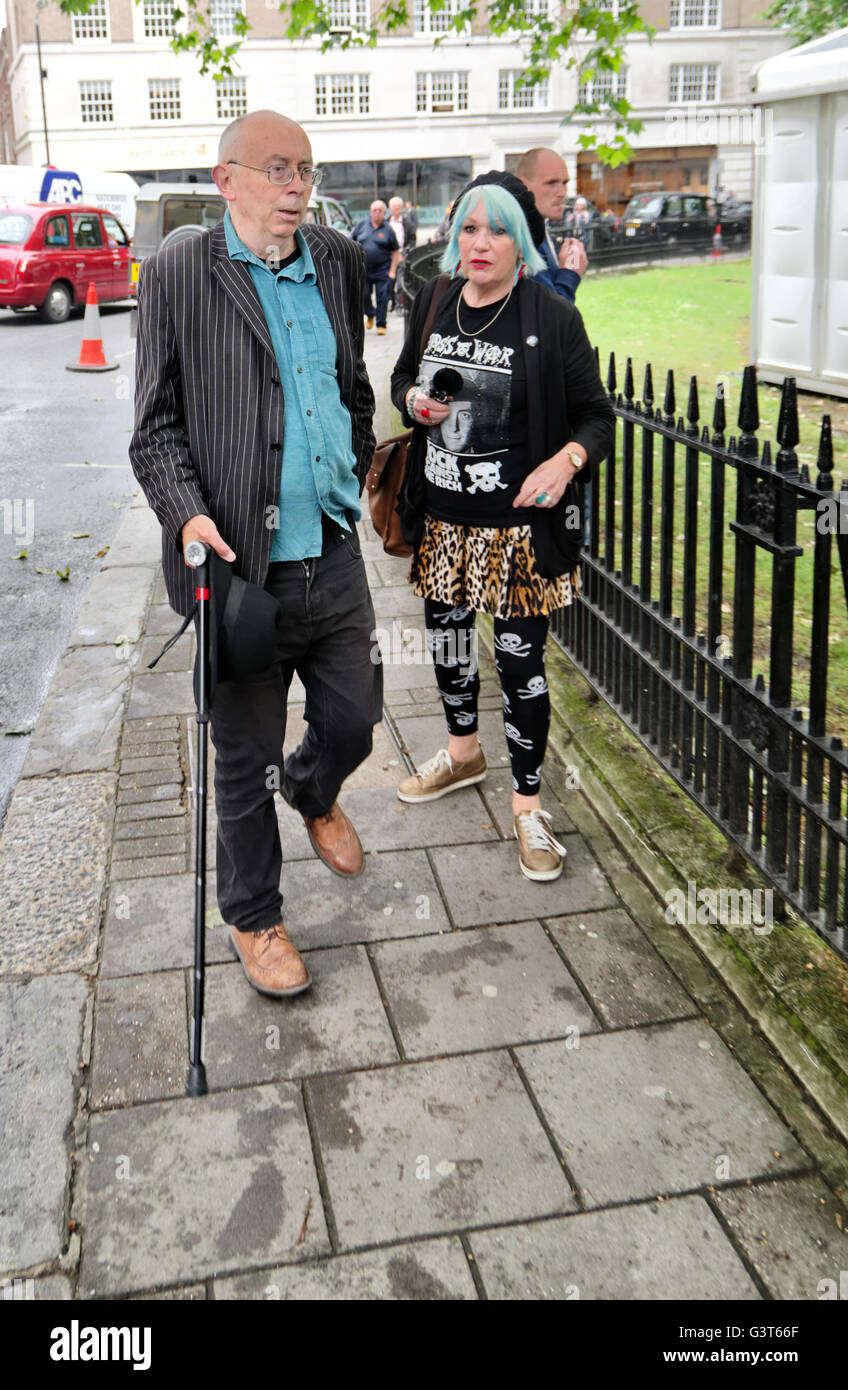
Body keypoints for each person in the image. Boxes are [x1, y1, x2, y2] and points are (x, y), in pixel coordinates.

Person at [130, 109, 382, 998]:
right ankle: (254, 917)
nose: (295, 187)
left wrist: (352, 457)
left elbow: (352, 387)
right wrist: (188, 515)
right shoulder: (178, 273)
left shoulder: (340, 261)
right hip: (239, 566)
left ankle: (314, 790)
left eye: (305, 170)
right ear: (225, 178)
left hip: (335, 550)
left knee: (356, 717)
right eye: (276, 169)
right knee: (242, 759)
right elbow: (154, 430)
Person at [390, 183, 614, 881]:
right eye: (468, 230)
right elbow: (401, 378)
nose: (478, 244)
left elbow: (597, 416)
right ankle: (463, 755)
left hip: (518, 534)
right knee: (451, 648)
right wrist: (413, 402)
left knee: (520, 670)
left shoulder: (549, 315)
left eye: (496, 232)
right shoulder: (434, 303)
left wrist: (566, 459)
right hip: (444, 524)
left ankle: (527, 806)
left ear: (521, 243)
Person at [515, 146, 589, 302]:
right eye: (551, 183)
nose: (562, 192)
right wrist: (571, 272)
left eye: (564, 183)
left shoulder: (535, 228)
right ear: (523, 186)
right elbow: (551, 318)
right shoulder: (523, 237)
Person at [352, 198, 400, 335]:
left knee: (382, 296)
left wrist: (392, 271)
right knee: (364, 295)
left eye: (380, 211)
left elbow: (396, 251)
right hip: (363, 269)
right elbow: (350, 242)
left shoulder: (388, 230)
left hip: (382, 270)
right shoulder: (361, 225)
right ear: (370, 212)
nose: (377, 213)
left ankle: (381, 324)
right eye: (374, 210)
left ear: (385, 212)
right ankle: (370, 314)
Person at [386, 195, 414, 311]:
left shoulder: (408, 224)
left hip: (402, 255)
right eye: (394, 206)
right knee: (389, 281)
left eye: (398, 206)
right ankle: (391, 302)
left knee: (400, 281)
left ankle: (399, 304)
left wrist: (405, 253)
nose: (396, 208)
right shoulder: (385, 223)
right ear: (390, 208)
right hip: (388, 256)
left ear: (402, 208)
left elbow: (412, 240)